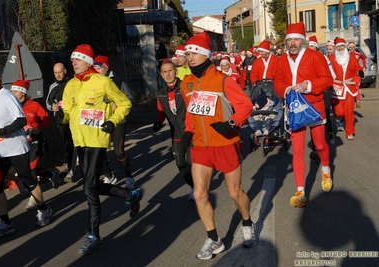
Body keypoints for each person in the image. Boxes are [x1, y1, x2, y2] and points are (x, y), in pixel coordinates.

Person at [179, 32, 257, 260]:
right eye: (187, 53)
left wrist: (232, 122)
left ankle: (247, 223)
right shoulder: (187, 84)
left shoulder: (223, 80)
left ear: (204, 54)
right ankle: (214, 239)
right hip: (201, 146)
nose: (189, 57)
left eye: (193, 53)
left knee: (234, 192)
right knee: (200, 194)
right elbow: (191, 114)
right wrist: (186, 134)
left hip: (224, 143)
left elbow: (245, 105)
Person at [62, 44, 143, 255]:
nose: (73, 63)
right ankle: (128, 194)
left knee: (88, 187)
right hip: (80, 141)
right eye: (72, 60)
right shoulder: (70, 84)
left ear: (88, 62)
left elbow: (125, 103)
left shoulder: (103, 82)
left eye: (77, 60)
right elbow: (69, 111)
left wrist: (113, 121)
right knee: (93, 185)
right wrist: (61, 115)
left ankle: (93, 236)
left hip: (97, 140)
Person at [0, 66, 53, 237]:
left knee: (28, 180)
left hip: (15, 148)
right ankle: (5, 222)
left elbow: (21, 120)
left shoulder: (7, 96)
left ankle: (44, 208)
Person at [274, 22, 333, 208]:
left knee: (320, 144)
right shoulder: (281, 60)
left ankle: (325, 168)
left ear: (303, 41)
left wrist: (306, 85)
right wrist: (286, 89)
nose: (293, 43)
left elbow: (327, 80)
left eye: (296, 39)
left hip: (314, 108)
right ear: (286, 42)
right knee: (298, 150)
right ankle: (300, 191)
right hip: (294, 111)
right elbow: (277, 82)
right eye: (289, 39)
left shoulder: (316, 56)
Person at [10, 80, 61, 210]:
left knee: (31, 168)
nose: (12, 93)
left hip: (35, 140)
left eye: (15, 91)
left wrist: (38, 128)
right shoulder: (11, 106)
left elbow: (47, 120)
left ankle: (34, 198)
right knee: (25, 169)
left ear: (22, 92)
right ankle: (51, 174)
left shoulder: (34, 105)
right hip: (20, 142)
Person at [153, 59, 194, 200]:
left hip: (192, 132)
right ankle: (193, 186)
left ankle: (199, 188)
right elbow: (160, 112)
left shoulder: (185, 87)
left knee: (192, 162)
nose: (168, 74)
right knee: (181, 164)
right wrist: (158, 122)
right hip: (176, 135)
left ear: (176, 71)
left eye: (170, 70)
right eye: (164, 72)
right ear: (161, 75)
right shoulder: (160, 93)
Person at [93, 55, 135, 188]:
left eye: (98, 68)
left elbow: (130, 98)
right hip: (100, 120)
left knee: (118, 151)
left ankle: (128, 175)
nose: (95, 70)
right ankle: (109, 176)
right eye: (93, 67)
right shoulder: (92, 82)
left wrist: (117, 103)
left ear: (106, 67)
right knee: (100, 151)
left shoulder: (117, 81)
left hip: (118, 121)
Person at [306, 36, 336, 160]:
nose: (311, 50)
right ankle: (315, 147)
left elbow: (332, 75)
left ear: (317, 48)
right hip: (311, 91)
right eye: (309, 48)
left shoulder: (323, 58)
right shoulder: (305, 59)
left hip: (324, 90)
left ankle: (329, 132)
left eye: (313, 48)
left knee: (325, 114)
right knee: (313, 119)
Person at [45, 63, 76, 183]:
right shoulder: (53, 86)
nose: (58, 75)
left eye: (60, 72)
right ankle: (62, 168)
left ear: (65, 71)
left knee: (72, 145)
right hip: (60, 120)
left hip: (73, 119)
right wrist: (52, 107)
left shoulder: (73, 83)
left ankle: (71, 171)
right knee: (62, 145)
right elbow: (48, 103)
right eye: (55, 73)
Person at [328, 37, 363, 141]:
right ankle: (340, 119)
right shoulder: (331, 59)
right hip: (337, 87)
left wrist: (360, 72)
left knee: (349, 111)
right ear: (335, 48)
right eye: (338, 47)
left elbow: (357, 68)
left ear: (345, 47)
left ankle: (350, 132)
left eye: (342, 46)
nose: (340, 48)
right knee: (339, 111)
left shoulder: (351, 57)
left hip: (349, 87)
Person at [348, 42, 366, 108]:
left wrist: (364, 67)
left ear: (354, 47)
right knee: (351, 86)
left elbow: (363, 59)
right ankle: (352, 98)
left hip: (357, 72)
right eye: (350, 47)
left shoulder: (358, 54)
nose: (351, 48)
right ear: (348, 48)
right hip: (349, 73)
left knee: (357, 86)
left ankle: (358, 100)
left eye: (353, 47)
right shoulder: (347, 55)